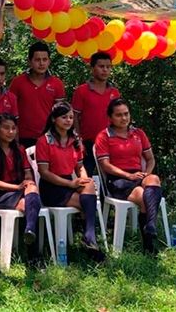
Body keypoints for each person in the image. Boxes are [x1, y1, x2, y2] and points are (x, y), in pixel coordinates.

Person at [36, 102, 105, 261]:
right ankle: (90, 237)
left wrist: (83, 178)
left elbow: (79, 167)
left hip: (69, 183)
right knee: (87, 203)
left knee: (88, 183)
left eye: (71, 117)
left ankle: (89, 236)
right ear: (54, 119)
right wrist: (70, 184)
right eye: (64, 117)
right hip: (52, 187)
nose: (68, 120)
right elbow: (44, 173)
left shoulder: (75, 140)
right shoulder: (44, 141)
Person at [95, 98, 162, 254]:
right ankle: (149, 244)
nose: (124, 118)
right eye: (118, 115)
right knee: (141, 195)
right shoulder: (104, 136)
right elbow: (105, 165)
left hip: (139, 175)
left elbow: (150, 159)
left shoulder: (139, 133)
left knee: (154, 179)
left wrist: (146, 173)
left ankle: (150, 225)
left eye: (126, 114)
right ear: (110, 118)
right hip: (117, 178)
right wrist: (128, 175)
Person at [0, 113, 40, 247]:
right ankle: (33, 252)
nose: (11, 132)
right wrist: (17, 187)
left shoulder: (19, 149)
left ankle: (30, 231)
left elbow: (27, 172)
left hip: (20, 192)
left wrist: (27, 181)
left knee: (30, 192)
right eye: (6, 128)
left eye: (13, 128)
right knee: (31, 205)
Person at [72, 52, 120, 176]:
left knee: (110, 178)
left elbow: (118, 117)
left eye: (108, 67)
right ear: (92, 68)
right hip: (88, 142)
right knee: (85, 177)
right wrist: (78, 140)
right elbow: (75, 116)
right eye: (101, 66)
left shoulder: (114, 92)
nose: (105, 70)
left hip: (109, 141)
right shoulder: (81, 91)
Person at [10, 41, 65, 148]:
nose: (41, 63)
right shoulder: (17, 82)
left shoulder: (57, 84)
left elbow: (60, 114)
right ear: (29, 62)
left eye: (44, 59)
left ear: (49, 61)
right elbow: (10, 112)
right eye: (37, 60)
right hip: (22, 138)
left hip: (49, 138)